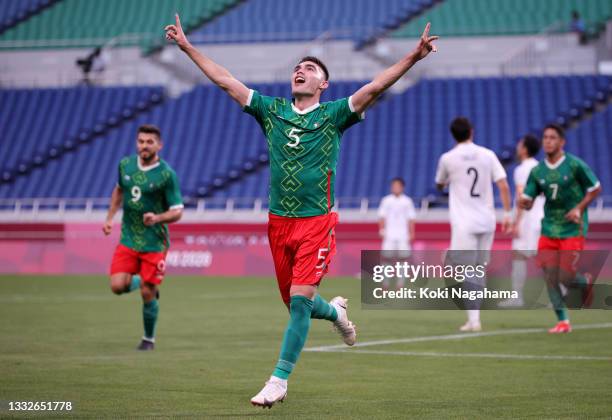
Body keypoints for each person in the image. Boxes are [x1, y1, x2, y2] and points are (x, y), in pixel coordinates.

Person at [165, 14, 438, 408]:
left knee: (298, 303)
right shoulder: (270, 110)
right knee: (302, 305)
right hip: (277, 224)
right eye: (298, 67)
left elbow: (376, 85)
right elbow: (225, 81)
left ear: (322, 84)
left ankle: (279, 379)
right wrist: (188, 48)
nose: (300, 71)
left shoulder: (334, 115)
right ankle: (338, 313)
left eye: (309, 69)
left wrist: (413, 56)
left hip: (317, 223)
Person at [103, 124, 183, 350]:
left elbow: (178, 211)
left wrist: (157, 218)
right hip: (128, 237)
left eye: (149, 142)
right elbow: (119, 190)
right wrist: (110, 218)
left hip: (154, 241)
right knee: (117, 286)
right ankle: (147, 281)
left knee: (148, 293)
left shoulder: (167, 175)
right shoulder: (125, 165)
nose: (144, 146)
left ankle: (148, 339)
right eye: (141, 141)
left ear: (159, 145)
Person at [519, 124, 601, 333]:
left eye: (552, 138)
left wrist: (578, 208)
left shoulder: (574, 165)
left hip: (573, 227)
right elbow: (530, 197)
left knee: (565, 276)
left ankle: (584, 281)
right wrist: (524, 202)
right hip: (549, 228)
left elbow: (595, 188)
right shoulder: (537, 171)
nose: (548, 141)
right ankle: (562, 321)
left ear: (562, 142)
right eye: (545, 137)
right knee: (549, 274)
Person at [435, 117, 512, 332]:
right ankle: (475, 315)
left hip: (464, 222)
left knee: (465, 268)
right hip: (487, 220)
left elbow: (439, 185)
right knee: (478, 268)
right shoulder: (488, 154)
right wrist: (508, 213)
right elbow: (503, 185)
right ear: (471, 131)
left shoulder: (448, 159)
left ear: (453, 134)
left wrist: (449, 181)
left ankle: (474, 319)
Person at [499, 135, 544, 307]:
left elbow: (522, 196)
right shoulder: (542, 167)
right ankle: (559, 294)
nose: (517, 148)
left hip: (529, 218)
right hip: (543, 217)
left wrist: (516, 222)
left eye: (519, 145)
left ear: (524, 149)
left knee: (519, 255)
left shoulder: (522, 169)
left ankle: (517, 297)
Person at [378, 177, 417, 288]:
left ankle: (400, 284)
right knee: (386, 258)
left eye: (397, 186)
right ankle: (385, 283)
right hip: (389, 235)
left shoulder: (407, 201)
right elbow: (382, 216)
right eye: (394, 186)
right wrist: (381, 229)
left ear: (402, 187)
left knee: (403, 260)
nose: (395, 188)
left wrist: (412, 233)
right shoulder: (386, 200)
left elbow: (411, 218)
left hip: (403, 235)